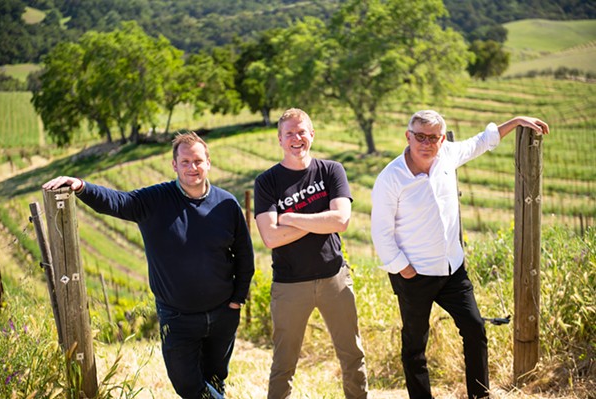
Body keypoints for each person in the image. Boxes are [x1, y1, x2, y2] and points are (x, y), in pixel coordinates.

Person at [43, 132, 255, 399]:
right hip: (178, 318)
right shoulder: (155, 201)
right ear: (174, 165)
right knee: (188, 386)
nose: (193, 167)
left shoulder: (226, 204)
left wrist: (237, 300)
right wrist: (82, 186)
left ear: (208, 163)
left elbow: (244, 255)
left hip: (223, 313)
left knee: (215, 378)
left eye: (198, 161)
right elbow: (118, 202)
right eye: (186, 161)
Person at [370, 110, 549, 399]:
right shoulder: (390, 178)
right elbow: (380, 231)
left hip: (453, 270)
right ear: (408, 136)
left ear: (442, 139)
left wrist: (514, 121)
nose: (426, 143)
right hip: (414, 275)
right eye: (420, 136)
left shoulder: (448, 155)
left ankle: (479, 396)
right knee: (415, 344)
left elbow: (480, 141)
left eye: (433, 137)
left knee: (475, 329)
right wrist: (404, 269)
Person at [254, 108, 368, 399]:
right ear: (280, 139)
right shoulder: (267, 182)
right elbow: (270, 237)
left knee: (352, 357)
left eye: (302, 131)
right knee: (283, 364)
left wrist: (290, 217)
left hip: (334, 279)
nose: (296, 138)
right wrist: (320, 219)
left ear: (312, 135)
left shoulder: (332, 170)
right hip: (290, 285)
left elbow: (341, 220)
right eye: (289, 133)